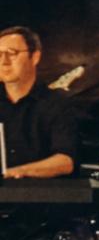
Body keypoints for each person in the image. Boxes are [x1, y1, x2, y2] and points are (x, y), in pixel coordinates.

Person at [0, 27, 79, 180]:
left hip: (39, 197)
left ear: (35, 57)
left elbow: (65, 161)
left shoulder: (57, 105)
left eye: (11, 53)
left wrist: (17, 172)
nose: (4, 61)